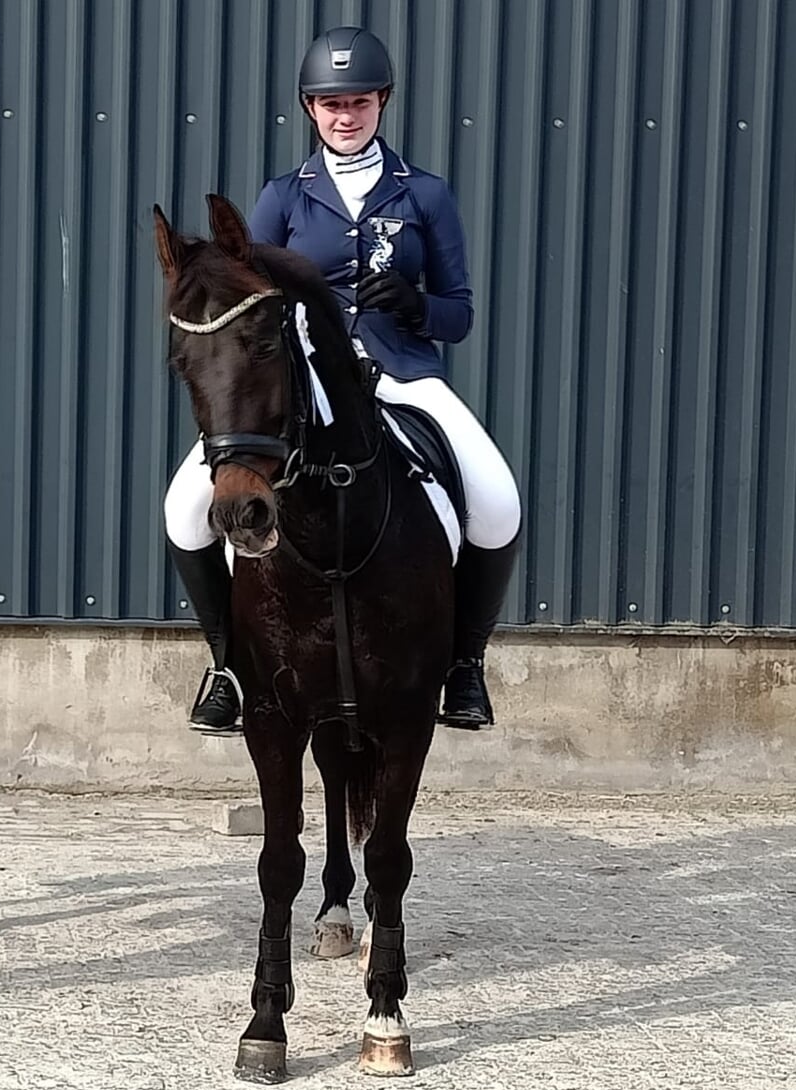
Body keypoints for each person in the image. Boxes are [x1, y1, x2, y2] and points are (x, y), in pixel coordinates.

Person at [163, 26, 523, 735]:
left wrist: (417, 306)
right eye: (330, 104)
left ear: (381, 102)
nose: (344, 115)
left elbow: (458, 313)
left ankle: (464, 667)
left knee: (497, 498)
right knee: (182, 509)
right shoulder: (281, 199)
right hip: (304, 379)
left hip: (401, 372)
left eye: (357, 101)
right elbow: (246, 300)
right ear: (309, 109)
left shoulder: (424, 194)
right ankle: (227, 668)